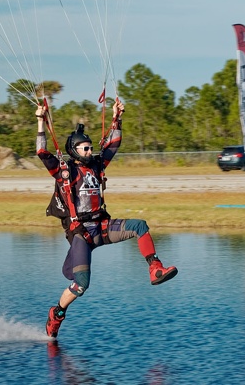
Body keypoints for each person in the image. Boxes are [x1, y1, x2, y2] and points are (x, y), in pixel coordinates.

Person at [36, 99, 177, 340]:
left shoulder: (98, 165)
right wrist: (40, 120)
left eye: (91, 147)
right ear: (74, 150)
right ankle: (57, 313)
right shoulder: (64, 171)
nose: (91, 151)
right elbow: (41, 151)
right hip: (80, 232)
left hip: (102, 226)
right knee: (81, 285)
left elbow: (115, 143)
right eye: (86, 148)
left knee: (139, 226)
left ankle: (155, 268)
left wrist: (117, 117)